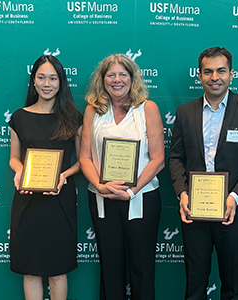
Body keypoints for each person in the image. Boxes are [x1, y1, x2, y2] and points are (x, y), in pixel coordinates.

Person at [169, 47, 238, 300]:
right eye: (208, 71)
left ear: (231, 74)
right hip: (194, 211)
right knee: (194, 285)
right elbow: (175, 158)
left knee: (233, 286)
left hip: (234, 211)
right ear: (199, 75)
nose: (214, 77)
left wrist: (234, 197)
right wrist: (182, 193)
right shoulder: (184, 112)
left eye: (221, 71)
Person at [80, 53, 164, 300]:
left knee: (142, 267)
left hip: (141, 199)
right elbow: (84, 157)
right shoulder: (93, 110)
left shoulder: (147, 108)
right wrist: (98, 185)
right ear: (103, 79)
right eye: (111, 75)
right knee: (110, 266)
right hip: (102, 199)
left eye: (123, 74)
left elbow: (158, 158)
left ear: (132, 78)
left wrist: (132, 189)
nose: (117, 80)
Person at [8, 55, 83, 300]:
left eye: (53, 78)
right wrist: (20, 171)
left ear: (61, 82)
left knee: (57, 271)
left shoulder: (73, 117)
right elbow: (14, 157)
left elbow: (83, 161)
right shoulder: (19, 117)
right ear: (33, 81)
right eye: (41, 77)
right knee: (29, 271)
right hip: (27, 200)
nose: (46, 83)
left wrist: (64, 175)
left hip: (59, 201)